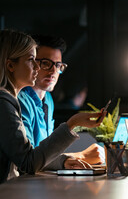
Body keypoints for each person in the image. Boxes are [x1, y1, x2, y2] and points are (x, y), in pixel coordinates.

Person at [0, 29, 106, 195]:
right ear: (10, 65)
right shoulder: (0, 103)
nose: (37, 67)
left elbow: (30, 156)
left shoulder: (3, 99)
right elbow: (28, 162)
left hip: (0, 194)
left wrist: (64, 160)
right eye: (31, 60)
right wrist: (72, 124)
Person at [18, 34, 103, 165]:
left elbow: (45, 154)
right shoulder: (20, 100)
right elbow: (30, 159)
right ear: (32, 63)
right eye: (46, 63)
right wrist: (79, 156)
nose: (53, 72)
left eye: (58, 65)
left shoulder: (48, 100)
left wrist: (74, 158)